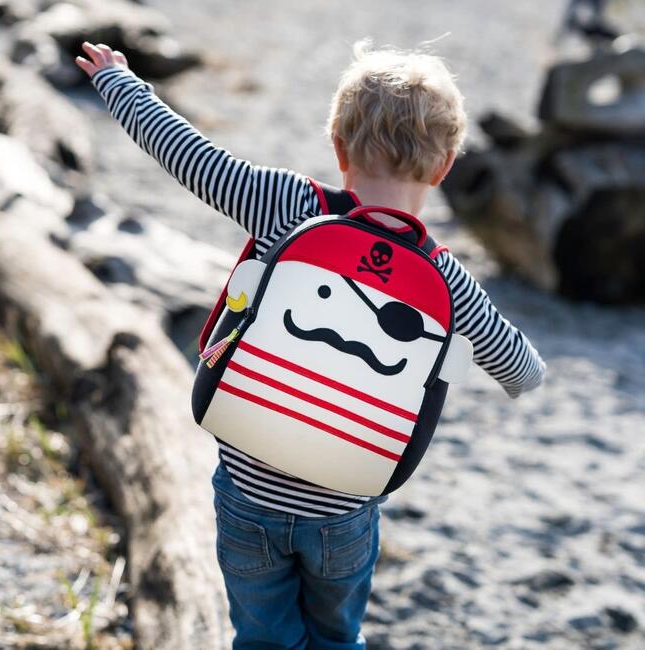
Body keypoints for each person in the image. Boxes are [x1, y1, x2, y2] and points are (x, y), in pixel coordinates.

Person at [76, 39, 546, 650]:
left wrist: (120, 82)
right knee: (334, 637)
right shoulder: (446, 277)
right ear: (445, 166)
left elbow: (187, 155)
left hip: (248, 490)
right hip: (345, 510)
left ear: (338, 145)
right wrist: (520, 365)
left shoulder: (289, 205)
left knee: (264, 635)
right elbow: (521, 371)